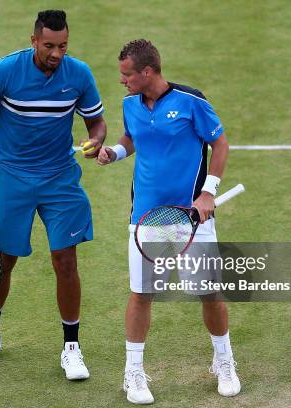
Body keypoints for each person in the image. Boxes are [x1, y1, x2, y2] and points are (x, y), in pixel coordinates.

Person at [0, 10, 106, 381]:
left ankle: (71, 347)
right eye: (49, 46)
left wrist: (97, 139)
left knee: (66, 261)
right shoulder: (4, 72)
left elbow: (96, 122)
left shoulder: (79, 74)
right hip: (12, 178)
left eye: (63, 46)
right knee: (4, 260)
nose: (57, 54)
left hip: (60, 179)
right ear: (33, 41)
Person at [96, 39, 240, 403]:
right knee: (143, 293)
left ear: (148, 72)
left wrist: (208, 193)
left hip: (192, 217)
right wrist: (113, 153)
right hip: (145, 216)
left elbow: (219, 144)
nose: (122, 81)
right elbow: (132, 139)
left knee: (209, 293)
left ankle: (224, 360)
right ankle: (134, 373)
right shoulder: (130, 103)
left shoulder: (192, 102)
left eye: (127, 74)